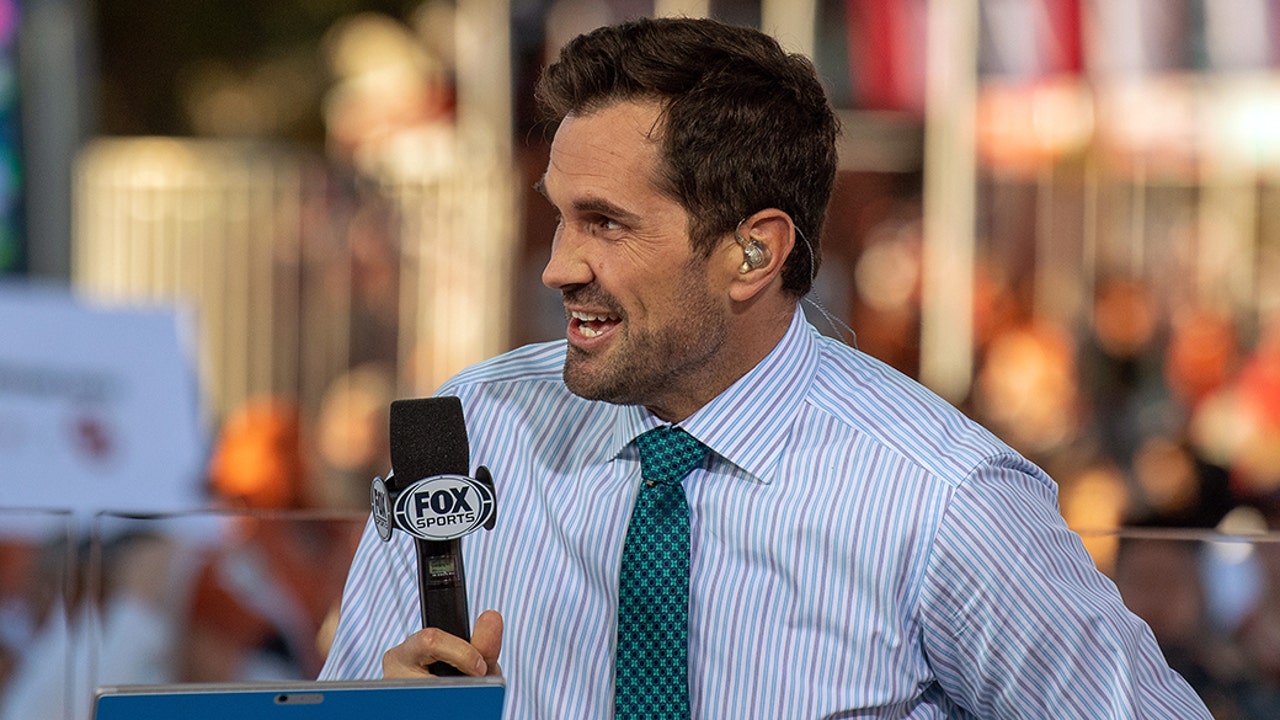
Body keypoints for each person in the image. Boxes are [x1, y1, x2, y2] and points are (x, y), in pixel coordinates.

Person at [319, 16, 1212, 719]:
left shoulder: (942, 496)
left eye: (607, 223)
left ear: (754, 254)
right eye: (558, 217)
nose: (557, 264)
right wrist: (368, 712)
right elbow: (342, 699)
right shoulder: (467, 428)